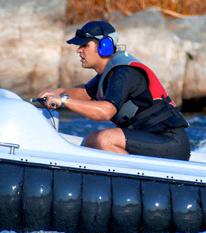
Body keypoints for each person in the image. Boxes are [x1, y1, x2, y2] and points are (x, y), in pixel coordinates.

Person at [37, 20, 191, 160]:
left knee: (105, 139)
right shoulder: (108, 73)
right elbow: (86, 93)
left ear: (105, 46)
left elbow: (105, 112)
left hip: (170, 141)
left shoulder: (123, 73)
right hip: (150, 138)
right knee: (91, 140)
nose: (79, 50)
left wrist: (64, 101)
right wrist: (57, 92)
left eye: (85, 45)